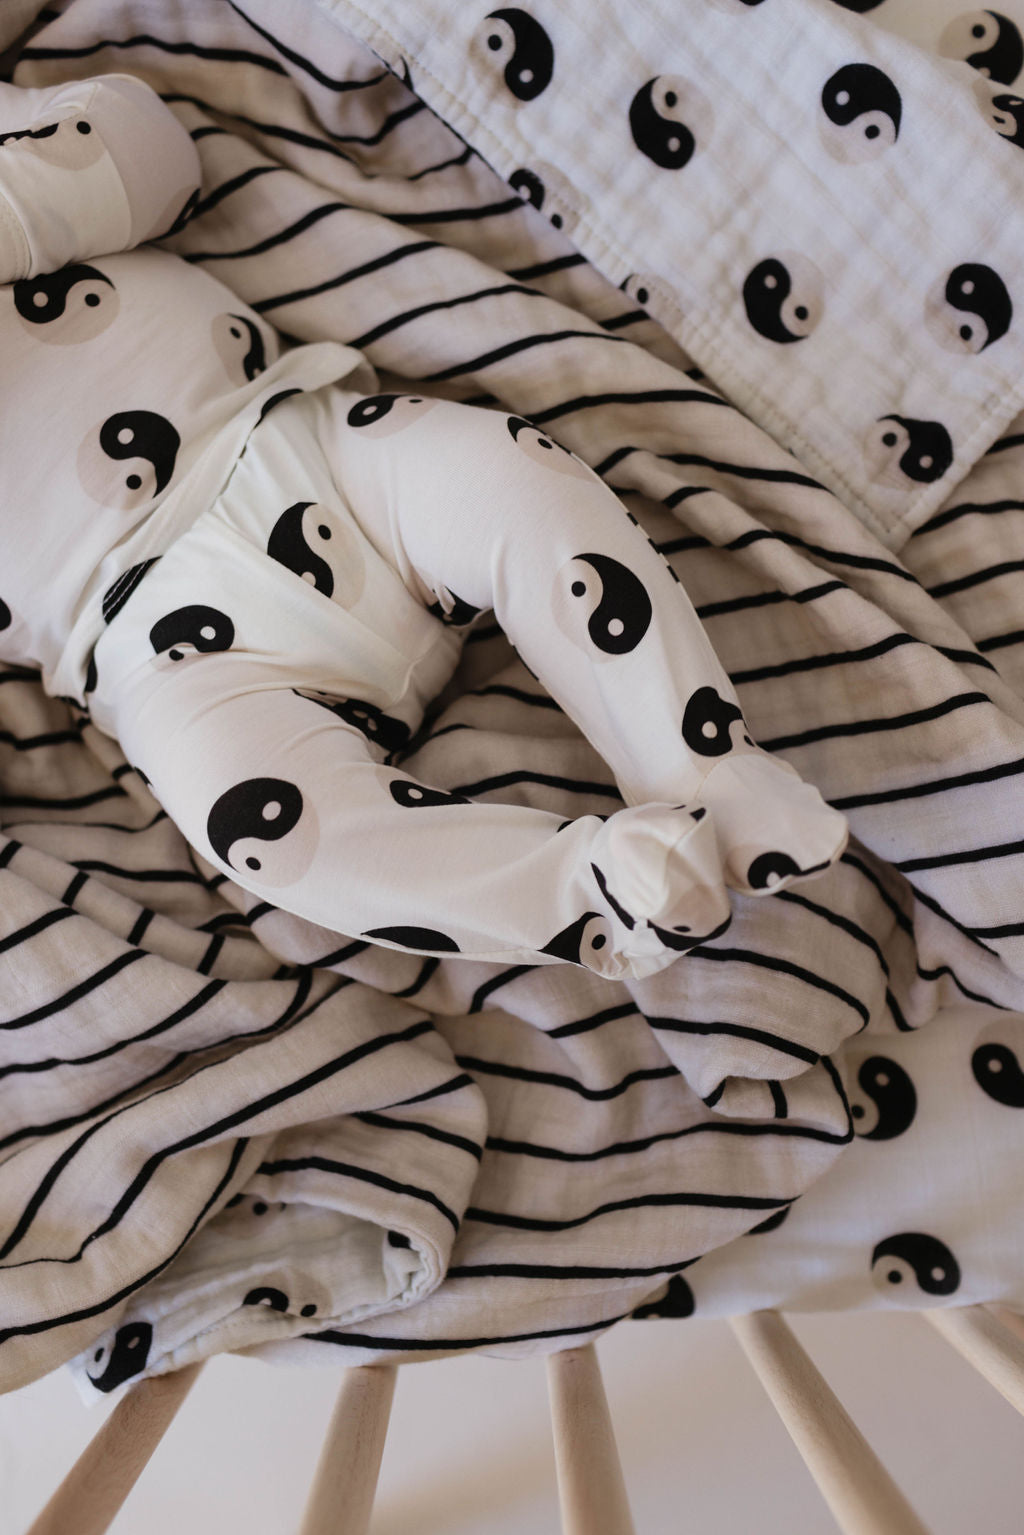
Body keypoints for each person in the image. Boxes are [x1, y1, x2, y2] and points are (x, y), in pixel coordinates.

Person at [0, 71, 848, 981]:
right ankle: (599, 892)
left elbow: (152, 152)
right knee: (262, 834)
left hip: (299, 447)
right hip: (158, 658)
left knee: (514, 477)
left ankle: (697, 764)